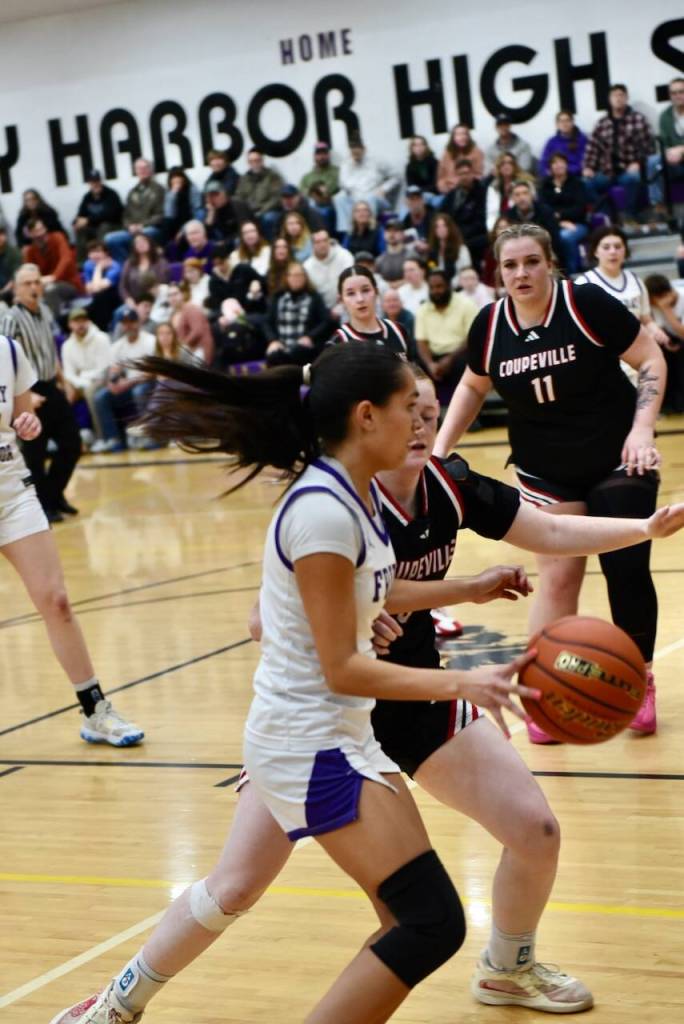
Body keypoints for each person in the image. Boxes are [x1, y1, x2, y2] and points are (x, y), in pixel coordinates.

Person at [49, 354, 684, 1024]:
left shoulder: (415, 488)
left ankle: (507, 969)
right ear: (368, 417)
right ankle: (116, 1004)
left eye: (429, 411)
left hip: (390, 708)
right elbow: (284, 626)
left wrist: (474, 584)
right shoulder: (329, 506)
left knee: (485, 866)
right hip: (316, 727)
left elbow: (517, 539)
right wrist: (438, 662)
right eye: (412, 409)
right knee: (255, 889)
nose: (424, 424)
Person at [435, 223, 668, 742]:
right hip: (544, 466)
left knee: (625, 564)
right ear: (498, 273)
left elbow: (650, 358)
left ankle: (640, 679)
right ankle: (544, 692)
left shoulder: (586, 304)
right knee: (558, 576)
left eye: (531, 262)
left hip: (616, 453)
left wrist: (642, 428)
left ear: (550, 264)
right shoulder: (490, 324)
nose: (521, 273)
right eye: (510, 265)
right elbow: (472, 386)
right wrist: (439, 450)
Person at [0, 332, 144, 750]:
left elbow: (26, 421)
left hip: (12, 491)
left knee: (57, 600)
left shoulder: (9, 350)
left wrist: (28, 425)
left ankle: (95, 711)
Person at [0, 265, 81, 522]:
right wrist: (24, 395)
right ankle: (45, 505)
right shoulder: (11, 318)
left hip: (50, 385)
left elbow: (49, 351)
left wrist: (64, 380)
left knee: (72, 443)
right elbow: (5, 361)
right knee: (35, 453)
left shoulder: (45, 310)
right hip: (28, 392)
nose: (34, 287)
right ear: (16, 288)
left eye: (37, 282)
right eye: (27, 283)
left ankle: (53, 495)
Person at [575, 227, 669, 358]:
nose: (613, 251)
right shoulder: (583, 283)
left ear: (625, 250)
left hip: (637, 354)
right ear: (596, 251)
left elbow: (646, 320)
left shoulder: (635, 280)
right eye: (606, 247)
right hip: (604, 356)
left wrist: (656, 330)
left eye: (618, 246)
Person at [582, 84, 655, 221]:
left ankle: (630, 216)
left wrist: (639, 163)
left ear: (626, 98)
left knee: (633, 178)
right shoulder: (602, 123)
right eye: (615, 95)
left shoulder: (638, 119)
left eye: (621, 95)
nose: (618, 98)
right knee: (585, 183)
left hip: (628, 169)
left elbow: (648, 148)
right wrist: (588, 167)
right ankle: (607, 214)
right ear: (609, 99)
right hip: (607, 172)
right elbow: (592, 148)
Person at [92, 308, 156, 452]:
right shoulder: (117, 346)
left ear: (138, 322)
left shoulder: (150, 341)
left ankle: (149, 436)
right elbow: (113, 370)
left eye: (131, 322)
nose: (129, 326)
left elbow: (152, 372)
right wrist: (112, 383)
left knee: (138, 392)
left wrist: (128, 382)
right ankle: (113, 439)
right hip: (127, 385)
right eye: (125, 323)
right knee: (101, 397)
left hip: (148, 383)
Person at [415, 268, 478, 402]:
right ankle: (430, 410)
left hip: (460, 354)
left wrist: (450, 359)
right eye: (432, 288)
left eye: (439, 286)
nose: (435, 291)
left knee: (464, 363)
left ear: (449, 286)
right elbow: (421, 342)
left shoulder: (466, 305)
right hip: (434, 356)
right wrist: (430, 364)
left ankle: (464, 408)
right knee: (417, 366)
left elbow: (472, 337)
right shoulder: (423, 309)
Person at [331, 264, 409, 354]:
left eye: (365, 290)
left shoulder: (398, 331)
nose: (360, 299)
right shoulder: (337, 343)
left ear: (376, 292)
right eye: (351, 293)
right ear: (341, 300)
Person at [264, 263, 331, 366]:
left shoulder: (314, 297)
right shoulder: (278, 297)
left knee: (299, 352)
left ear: (305, 277)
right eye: (293, 275)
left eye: (299, 275)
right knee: (273, 355)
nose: (296, 279)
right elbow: (266, 322)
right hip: (282, 345)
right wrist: (273, 340)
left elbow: (326, 321)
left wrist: (310, 337)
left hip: (304, 347)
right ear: (287, 277)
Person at [60, 307, 111, 444]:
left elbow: (103, 369)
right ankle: (73, 439)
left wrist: (82, 377)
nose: (80, 324)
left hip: (102, 380)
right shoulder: (67, 346)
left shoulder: (102, 338)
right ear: (70, 325)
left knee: (90, 392)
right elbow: (68, 374)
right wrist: (79, 383)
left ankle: (102, 437)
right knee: (63, 395)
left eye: (83, 320)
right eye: (76, 321)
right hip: (79, 383)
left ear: (88, 322)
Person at [104, 158, 165, 263]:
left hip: (151, 229)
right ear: (135, 171)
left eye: (145, 168)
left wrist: (142, 226)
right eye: (139, 168)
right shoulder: (132, 192)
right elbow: (125, 216)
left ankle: (144, 264)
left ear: (151, 170)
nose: (142, 171)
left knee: (147, 233)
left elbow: (161, 215)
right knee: (110, 239)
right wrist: (129, 226)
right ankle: (128, 266)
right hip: (133, 230)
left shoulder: (159, 190)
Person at [22, 217, 84, 318]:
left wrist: (54, 277)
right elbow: (28, 271)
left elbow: (66, 259)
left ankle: (55, 323)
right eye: (36, 231)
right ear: (30, 235)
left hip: (69, 283)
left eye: (42, 229)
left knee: (50, 289)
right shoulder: (30, 251)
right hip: (44, 285)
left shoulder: (57, 237)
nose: (41, 233)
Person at [334, 137, 399, 233]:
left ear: (364, 149)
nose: (355, 153)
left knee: (370, 198)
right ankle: (347, 231)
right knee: (339, 198)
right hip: (355, 199)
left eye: (357, 150)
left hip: (375, 197)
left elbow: (396, 176)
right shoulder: (345, 164)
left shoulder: (376, 161)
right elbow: (342, 185)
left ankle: (369, 229)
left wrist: (384, 189)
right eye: (353, 150)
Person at [538, 153, 588, 275]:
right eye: (554, 163)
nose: (558, 165)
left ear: (566, 164)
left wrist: (560, 215)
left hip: (577, 223)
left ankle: (572, 272)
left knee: (566, 236)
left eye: (561, 162)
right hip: (552, 224)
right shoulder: (545, 185)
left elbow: (580, 208)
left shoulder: (577, 183)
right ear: (550, 167)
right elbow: (543, 208)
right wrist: (559, 222)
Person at [440, 159, 489, 269]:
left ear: (472, 173)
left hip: (476, 236)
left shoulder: (482, 192)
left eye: (467, 173)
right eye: (460, 174)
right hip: (455, 237)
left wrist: (459, 235)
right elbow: (442, 215)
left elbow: (481, 221)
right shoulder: (452, 195)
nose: (464, 177)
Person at [645, 274, 684, 412]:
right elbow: (660, 328)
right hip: (671, 338)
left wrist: (666, 309)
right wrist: (666, 342)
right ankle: (668, 404)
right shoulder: (654, 304)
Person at [505, 181, 562, 267]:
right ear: (512, 198)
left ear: (531, 195)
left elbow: (554, 240)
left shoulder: (546, 212)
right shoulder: (509, 216)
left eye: (525, 193)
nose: (522, 198)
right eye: (517, 195)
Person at [73, 170, 124, 262]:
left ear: (101, 181)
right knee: (80, 229)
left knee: (104, 226)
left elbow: (111, 215)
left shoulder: (111, 194)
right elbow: (81, 214)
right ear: (89, 183)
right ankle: (82, 264)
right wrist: (76, 223)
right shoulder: (87, 197)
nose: (95, 184)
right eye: (92, 182)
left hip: (113, 226)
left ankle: (103, 260)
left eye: (97, 181)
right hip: (94, 227)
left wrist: (88, 220)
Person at [648, 77, 684, 207]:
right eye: (674, 93)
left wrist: (681, 150)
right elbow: (664, 144)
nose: (677, 96)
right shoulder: (665, 116)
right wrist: (669, 154)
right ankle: (657, 204)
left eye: (681, 92)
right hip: (674, 161)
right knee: (653, 161)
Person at [303, 228, 354, 310]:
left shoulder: (345, 256)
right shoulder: (307, 267)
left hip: (346, 306)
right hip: (320, 310)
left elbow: (352, 284)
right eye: (318, 242)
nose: (322, 244)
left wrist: (340, 308)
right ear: (312, 245)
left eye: (325, 240)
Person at [167, 282, 214, 364]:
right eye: (169, 296)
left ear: (183, 294)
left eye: (175, 294)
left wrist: (182, 346)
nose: (172, 298)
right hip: (184, 352)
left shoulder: (191, 308)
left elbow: (198, 331)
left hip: (199, 350)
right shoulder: (172, 315)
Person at [235, 148, 284, 224]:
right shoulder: (244, 179)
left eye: (256, 160)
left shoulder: (272, 176)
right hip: (249, 212)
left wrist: (261, 211)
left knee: (269, 218)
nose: (254, 164)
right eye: (251, 161)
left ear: (262, 161)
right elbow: (239, 197)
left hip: (267, 211)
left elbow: (276, 198)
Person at [119, 233, 170, 307]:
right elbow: (122, 286)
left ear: (150, 243)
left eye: (143, 241)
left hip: (157, 300)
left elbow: (163, 282)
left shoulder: (161, 262)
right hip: (134, 301)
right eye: (138, 242)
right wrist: (128, 299)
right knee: (119, 312)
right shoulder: (129, 263)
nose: (141, 244)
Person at [81, 239, 121, 331]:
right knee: (67, 318)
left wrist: (98, 268)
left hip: (114, 299)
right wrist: (98, 268)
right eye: (91, 252)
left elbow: (97, 289)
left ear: (106, 253)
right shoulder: (88, 264)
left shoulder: (115, 266)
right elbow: (89, 289)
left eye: (98, 251)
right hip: (96, 299)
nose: (94, 255)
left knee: (100, 298)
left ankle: (103, 331)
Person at [485, 152, 531, 230]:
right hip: (498, 227)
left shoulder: (524, 184)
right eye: (503, 164)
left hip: (519, 224)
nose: (506, 166)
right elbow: (491, 214)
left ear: (515, 166)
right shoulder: (493, 186)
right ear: (499, 167)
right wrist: (493, 230)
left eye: (510, 163)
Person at [538, 111, 588, 179]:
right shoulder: (551, 142)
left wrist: (564, 171)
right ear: (557, 125)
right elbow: (543, 163)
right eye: (561, 121)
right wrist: (547, 172)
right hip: (555, 177)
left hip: (575, 177)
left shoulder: (582, 139)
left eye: (567, 121)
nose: (564, 124)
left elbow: (583, 163)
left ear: (572, 122)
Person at [437, 124, 485, 194]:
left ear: (468, 136)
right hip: (449, 191)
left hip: (470, 190)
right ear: (453, 138)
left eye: (464, 134)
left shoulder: (477, 152)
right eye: (458, 134)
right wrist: (445, 189)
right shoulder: (447, 154)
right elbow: (441, 178)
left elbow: (480, 175)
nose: (462, 137)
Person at [202, 181, 250, 246]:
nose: (213, 199)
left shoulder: (237, 205)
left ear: (224, 194)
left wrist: (225, 242)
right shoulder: (212, 210)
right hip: (225, 241)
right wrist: (210, 215)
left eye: (216, 195)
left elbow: (244, 229)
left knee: (237, 241)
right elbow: (206, 236)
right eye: (210, 196)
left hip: (242, 238)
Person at [426, 212, 470, 282]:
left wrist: (450, 284)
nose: (441, 229)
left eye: (444, 226)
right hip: (437, 284)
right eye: (437, 227)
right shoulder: (433, 249)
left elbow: (465, 271)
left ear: (450, 228)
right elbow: (431, 264)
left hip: (457, 284)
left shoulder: (461, 249)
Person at [375, 221, 413, 285]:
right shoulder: (379, 260)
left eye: (395, 231)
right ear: (384, 234)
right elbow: (376, 281)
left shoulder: (412, 256)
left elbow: (415, 278)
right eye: (388, 231)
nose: (391, 234)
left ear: (403, 234)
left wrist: (392, 285)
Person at [381, 289, 416, 356]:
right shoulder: (381, 322)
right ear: (383, 306)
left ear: (401, 303)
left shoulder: (410, 320)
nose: (392, 304)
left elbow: (413, 347)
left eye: (395, 300)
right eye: (388, 301)